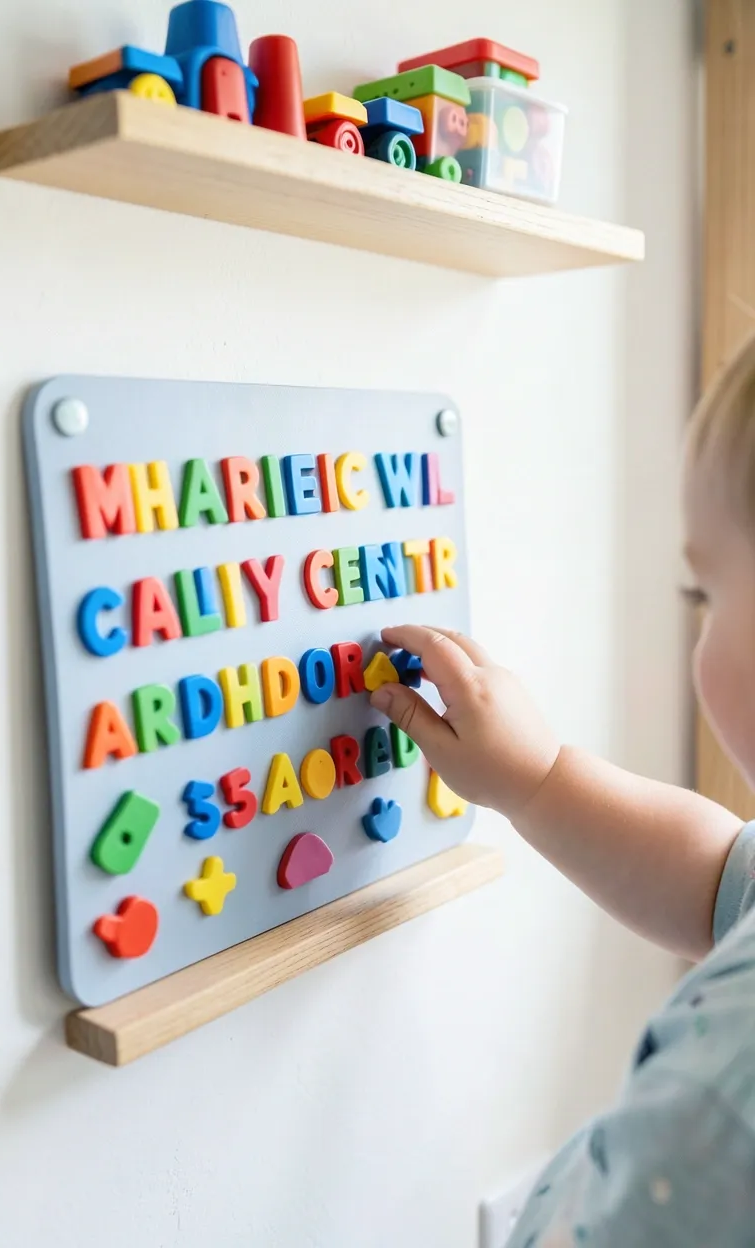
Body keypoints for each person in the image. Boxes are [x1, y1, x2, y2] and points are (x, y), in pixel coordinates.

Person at [369, 334, 755, 1246]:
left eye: (705, 593)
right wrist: (537, 780)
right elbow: (716, 878)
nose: (697, 617)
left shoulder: (718, 1113)